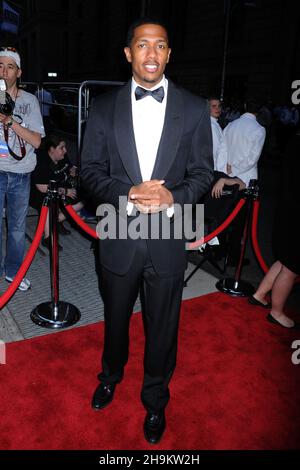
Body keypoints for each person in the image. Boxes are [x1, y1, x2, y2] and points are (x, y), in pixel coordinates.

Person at [80, 18, 213, 444]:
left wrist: (172, 197)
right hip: (119, 231)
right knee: (115, 319)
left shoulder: (193, 108)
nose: (151, 54)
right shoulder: (102, 107)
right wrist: (128, 191)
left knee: (163, 327)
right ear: (128, 53)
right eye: (142, 45)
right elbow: (90, 173)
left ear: (169, 54)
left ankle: (155, 400)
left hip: (170, 239)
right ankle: (110, 375)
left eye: (159, 46)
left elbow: (203, 173)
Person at [0, 46, 44, 291]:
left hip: (20, 173)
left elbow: (37, 141)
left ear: (18, 72)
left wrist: (9, 121)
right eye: (0, 66)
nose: (4, 72)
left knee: (17, 228)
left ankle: (13, 272)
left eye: (10, 67)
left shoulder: (29, 101)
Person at [249, 127, 300, 329]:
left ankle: (260, 294)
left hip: (287, 207)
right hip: (296, 212)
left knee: (285, 259)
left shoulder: (295, 139)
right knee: (292, 265)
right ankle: (276, 312)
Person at [30, 135, 83, 250]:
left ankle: (57, 220)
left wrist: (73, 170)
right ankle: (48, 237)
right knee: (48, 201)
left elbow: (69, 167)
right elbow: (42, 187)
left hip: (60, 187)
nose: (65, 150)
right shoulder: (41, 160)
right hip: (41, 192)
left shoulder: (61, 156)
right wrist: (65, 191)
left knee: (84, 199)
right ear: (52, 149)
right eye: (61, 147)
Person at [208, 96, 227, 173]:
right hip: (215, 169)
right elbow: (215, 151)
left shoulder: (214, 123)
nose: (217, 109)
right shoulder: (212, 125)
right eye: (214, 106)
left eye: (219, 106)